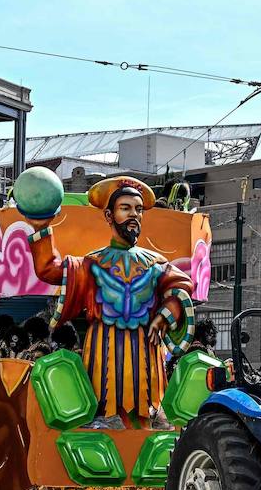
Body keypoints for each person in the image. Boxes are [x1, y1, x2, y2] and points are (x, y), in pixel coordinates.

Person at [26, 176, 196, 430]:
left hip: (146, 354)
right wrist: (41, 227)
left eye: (138, 210)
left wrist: (164, 315)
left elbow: (181, 286)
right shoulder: (92, 263)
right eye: (126, 208)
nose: (134, 215)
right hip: (102, 353)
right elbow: (48, 270)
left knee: (147, 422)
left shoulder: (156, 263)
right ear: (108, 215)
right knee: (104, 418)